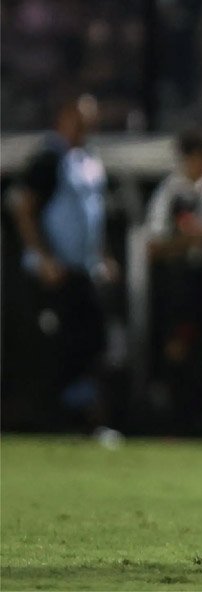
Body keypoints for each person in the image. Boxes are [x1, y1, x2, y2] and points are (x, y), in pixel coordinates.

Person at [8, 94, 119, 432]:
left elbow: (92, 216)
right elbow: (23, 209)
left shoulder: (86, 160)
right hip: (51, 275)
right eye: (79, 119)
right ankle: (48, 420)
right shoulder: (48, 158)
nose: (86, 126)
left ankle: (82, 419)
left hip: (81, 272)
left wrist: (101, 254)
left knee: (91, 345)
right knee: (51, 349)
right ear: (64, 118)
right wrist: (44, 258)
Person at [144, 127, 202, 434]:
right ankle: (177, 424)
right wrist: (191, 241)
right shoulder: (169, 194)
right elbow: (154, 248)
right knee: (177, 349)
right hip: (181, 283)